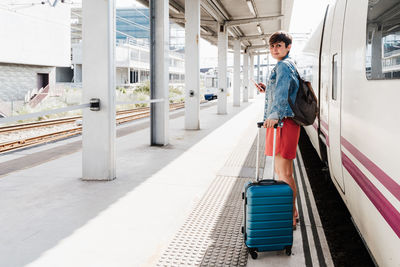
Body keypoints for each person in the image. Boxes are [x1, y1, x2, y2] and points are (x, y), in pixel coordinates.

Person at [257, 31, 300, 229]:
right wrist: (268, 89)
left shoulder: (283, 66)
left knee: (284, 173)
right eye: (272, 46)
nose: (275, 49)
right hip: (284, 122)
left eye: (279, 46)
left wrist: (273, 116)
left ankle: (290, 216)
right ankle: (293, 212)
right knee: (282, 171)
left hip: (282, 123)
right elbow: (283, 90)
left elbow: (283, 93)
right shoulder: (288, 64)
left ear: (288, 47)